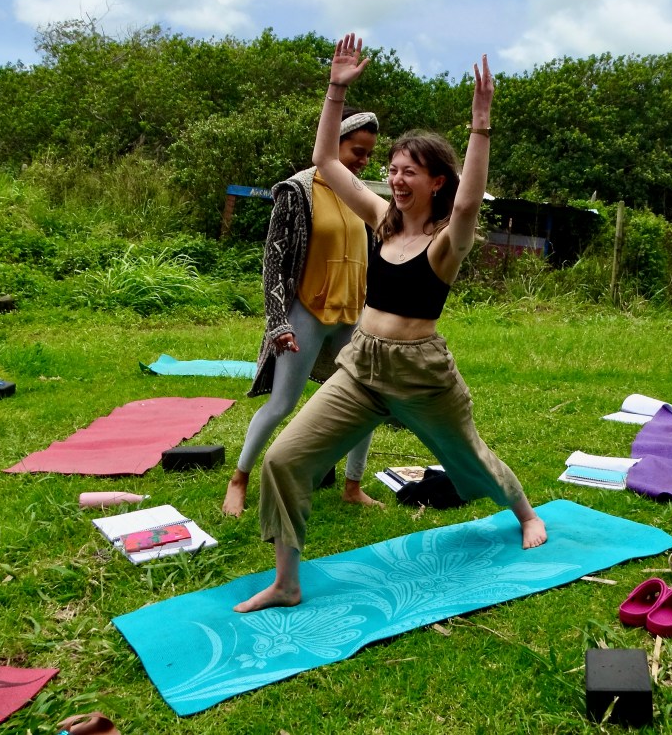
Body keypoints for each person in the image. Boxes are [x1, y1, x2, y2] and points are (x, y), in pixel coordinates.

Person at [235, 33, 547, 613]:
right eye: (393, 170)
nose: (397, 180)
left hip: (421, 375)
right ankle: (286, 581)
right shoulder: (382, 219)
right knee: (284, 459)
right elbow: (326, 161)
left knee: (470, 458)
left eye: (411, 173)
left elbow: (470, 202)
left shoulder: (446, 242)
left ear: (437, 182)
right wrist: (335, 90)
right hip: (362, 366)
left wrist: (480, 127)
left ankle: (526, 513)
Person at [222, 107, 382, 516]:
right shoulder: (297, 191)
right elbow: (273, 261)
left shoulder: (360, 195)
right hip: (306, 313)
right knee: (282, 403)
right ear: (334, 143)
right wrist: (278, 322)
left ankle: (352, 485)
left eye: (369, 154)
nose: (364, 161)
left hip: (353, 314)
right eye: (357, 151)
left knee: (367, 400)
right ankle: (239, 479)